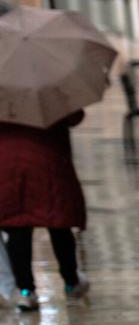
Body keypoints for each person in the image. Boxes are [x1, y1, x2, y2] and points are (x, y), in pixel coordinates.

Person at [0, 111, 89, 312]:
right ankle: (71, 282)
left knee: (17, 226)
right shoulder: (50, 88)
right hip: (48, 159)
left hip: (7, 163)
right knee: (58, 223)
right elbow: (75, 116)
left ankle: (25, 292)